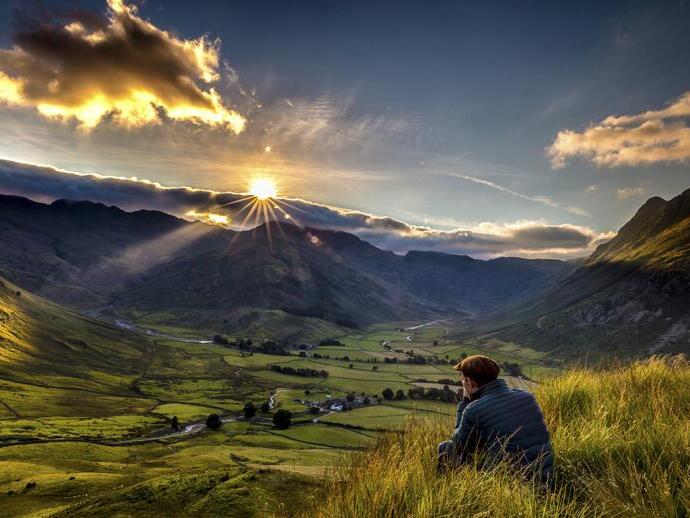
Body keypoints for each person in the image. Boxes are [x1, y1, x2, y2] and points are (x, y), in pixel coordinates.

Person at [437, 355, 553, 483]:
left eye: (463, 380)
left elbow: (458, 444)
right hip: (546, 478)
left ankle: (446, 488)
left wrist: (465, 401)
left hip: (510, 485)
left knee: (446, 447)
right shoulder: (528, 397)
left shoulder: (473, 410)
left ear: (470, 382)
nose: (463, 383)